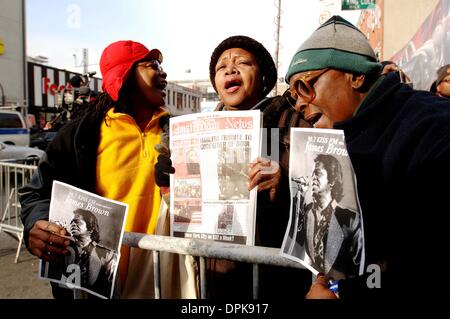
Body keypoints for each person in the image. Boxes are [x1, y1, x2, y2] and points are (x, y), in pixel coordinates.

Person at [285, 15, 450, 298]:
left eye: (305, 85)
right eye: (292, 94)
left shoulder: (433, 129)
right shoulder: (336, 139)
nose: (300, 102)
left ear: (356, 75)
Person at [19, 40, 197, 299]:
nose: (163, 72)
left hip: (164, 283)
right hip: (99, 287)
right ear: (124, 75)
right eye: (153, 65)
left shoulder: (179, 131)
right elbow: (36, 194)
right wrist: (37, 224)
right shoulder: (80, 135)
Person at [156, 35, 312, 298]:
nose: (230, 69)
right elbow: (184, 211)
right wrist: (168, 182)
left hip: (278, 276)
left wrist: (283, 185)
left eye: (242, 62)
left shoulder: (293, 120)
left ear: (263, 77)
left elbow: (321, 197)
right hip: (215, 273)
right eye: (221, 67)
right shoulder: (194, 132)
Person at [64, 209, 115, 298]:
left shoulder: (107, 255)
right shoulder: (66, 250)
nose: (73, 224)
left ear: (91, 228)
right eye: (71, 222)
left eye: (77, 222)